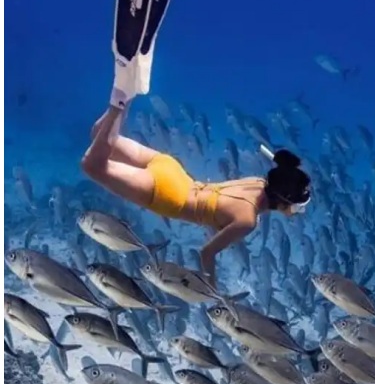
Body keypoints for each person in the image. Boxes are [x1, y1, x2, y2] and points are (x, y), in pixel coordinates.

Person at [80, 100, 310, 282]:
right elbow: (207, 252)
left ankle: (124, 97)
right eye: (299, 207)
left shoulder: (258, 182)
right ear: (284, 202)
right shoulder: (247, 220)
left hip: (173, 171)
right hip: (170, 197)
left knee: (100, 135)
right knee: (92, 165)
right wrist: (212, 287)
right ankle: (118, 104)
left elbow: (219, 212)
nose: (298, 211)